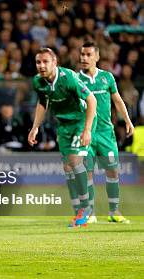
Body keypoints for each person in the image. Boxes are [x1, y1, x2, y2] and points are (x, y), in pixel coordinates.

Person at [27, 48, 97, 228]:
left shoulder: (69, 78)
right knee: (67, 166)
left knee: (75, 161)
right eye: (38, 62)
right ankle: (81, 209)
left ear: (54, 62)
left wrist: (87, 130)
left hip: (81, 121)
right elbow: (43, 102)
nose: (41, 66)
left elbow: (91, 100)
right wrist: (35, 127)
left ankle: (86, 208)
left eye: (45, 62)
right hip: (64, 125)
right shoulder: (38, 81)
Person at [78, 42, 133, 224]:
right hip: (86, 132)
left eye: (88, 54)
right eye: (82, 54)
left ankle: (114, 211)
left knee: (112, 171)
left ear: (97, 57)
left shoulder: (107, 77)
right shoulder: (75, 79)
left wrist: (127, 120)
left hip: (105, 132)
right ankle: (89, 212)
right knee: (88, 172)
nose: (84, 58)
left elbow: (117, 101)